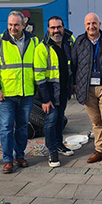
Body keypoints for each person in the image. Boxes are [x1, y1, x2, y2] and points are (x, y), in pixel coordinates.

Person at [0, 11, 39, 174]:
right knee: (7, 127)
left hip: (26, 93)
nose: (12, 28)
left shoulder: (34, 41)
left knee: (23, 127)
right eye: (10, 25)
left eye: (16, 25)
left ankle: (20, 156)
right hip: (6, 94)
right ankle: (8, 160)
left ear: (24, 25)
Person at [72, 13, 102, 165]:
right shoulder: (79, 42)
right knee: (96, 121)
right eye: (88, 24)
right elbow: (73, 65)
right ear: (84, 26)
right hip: (87, 88)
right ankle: (100, 150)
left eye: (94, 23)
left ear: (100, 24)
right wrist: (75, 85)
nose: (91, 26)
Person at [34, 16, 74, 168]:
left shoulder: (69, 42)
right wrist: (45, 99)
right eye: (53, 28)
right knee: (51, 121)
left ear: (63, 27)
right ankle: (52, 151)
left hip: (63, 90)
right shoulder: (42, 48)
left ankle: (58, 144)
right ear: (48, 29)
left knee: (59, 119)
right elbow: (39, 75)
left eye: (59, 27)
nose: (56, 31)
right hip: (49, 92)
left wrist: (73, 84)